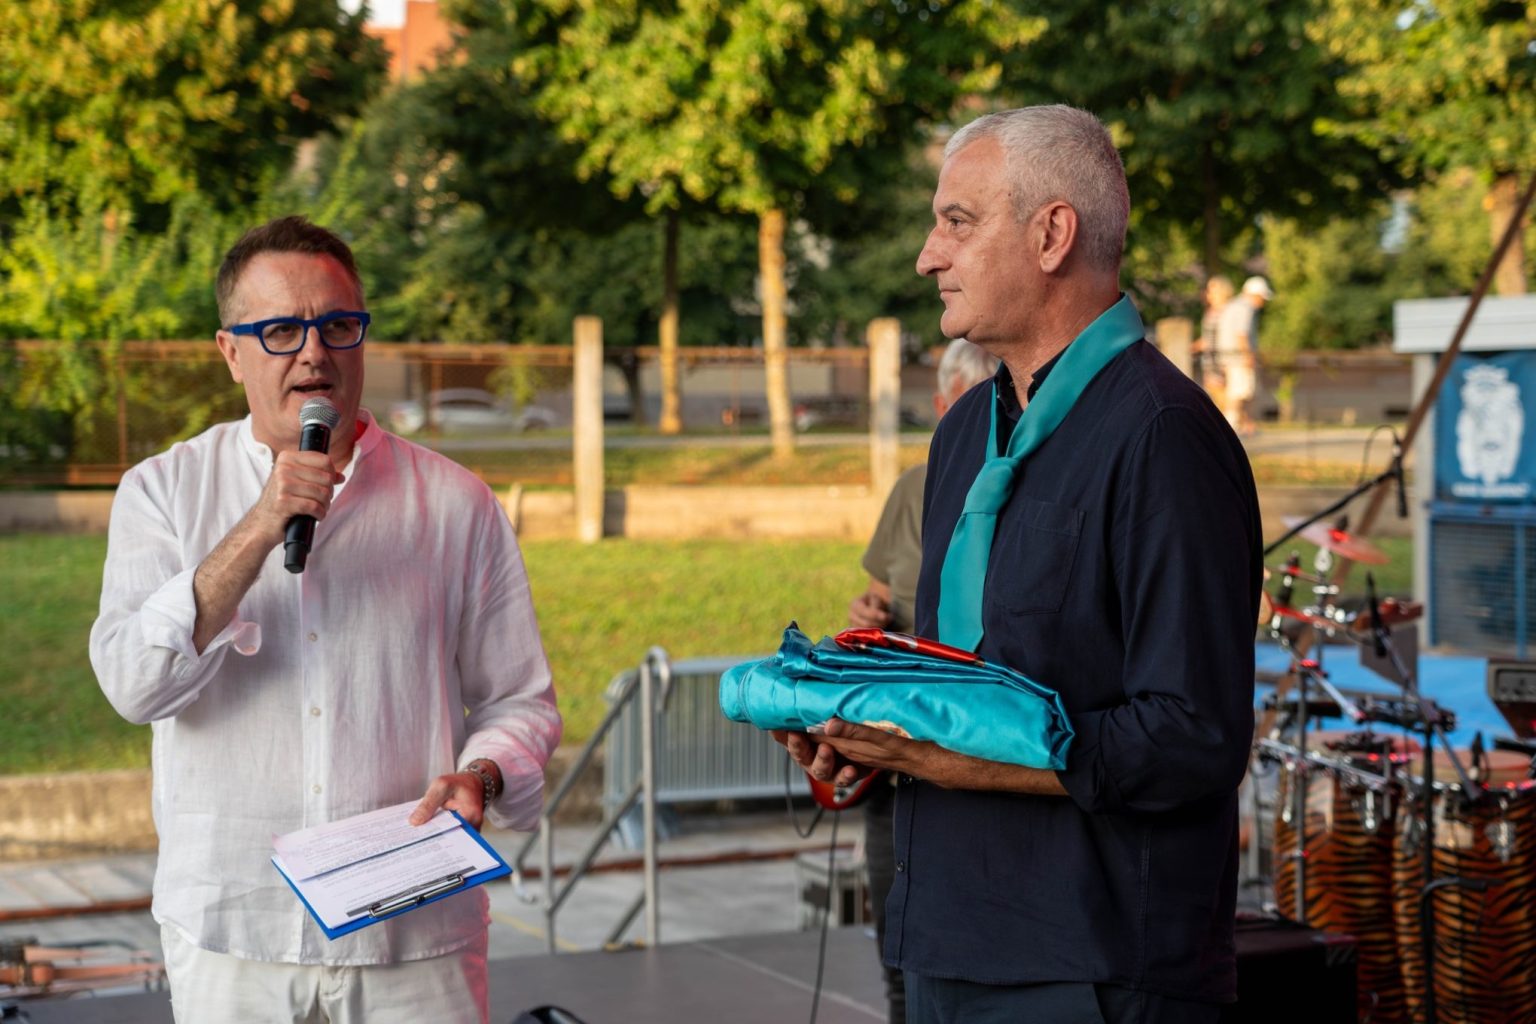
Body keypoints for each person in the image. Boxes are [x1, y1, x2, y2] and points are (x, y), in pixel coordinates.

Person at [777, 106, 1262, 1022]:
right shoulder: (965, 430)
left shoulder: (1165, 437)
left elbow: (1193, 737)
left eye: (957, 222)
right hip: (947, 940)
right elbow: (967, 677)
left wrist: (959, 757)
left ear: (1051, 235)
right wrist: (866, 734)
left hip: (1091, 965)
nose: (927, 256)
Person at [89, 216, 562, 1024]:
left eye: (338, 326)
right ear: (230, 352)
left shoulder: (455, 504)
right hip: (234, 932)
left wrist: (482, 776)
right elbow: (135, 685)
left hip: (412, 929)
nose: (314, 353)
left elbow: (520, 701)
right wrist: (259, 525)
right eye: (280, 331)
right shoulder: (162, 492)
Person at [847, 337, 997, 1024]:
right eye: (964, 409)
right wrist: (866, 617)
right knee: (901, 960)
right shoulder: (913, 488)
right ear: (941, 407)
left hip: (977, 757)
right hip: (898, 762)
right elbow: (876, 598)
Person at [1213, 274, 1274, 435]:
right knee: (1239, 393)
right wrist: (1248, 356)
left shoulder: (1234, 305)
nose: (1263, 302)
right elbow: (1241, 334)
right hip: (1238, 358)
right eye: (1262, 297)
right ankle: (1231, 426)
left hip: (1230, 356)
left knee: (1241, 392)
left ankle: (1243, 425)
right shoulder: (1245, 307)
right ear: (1255, 294)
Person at [1193, 274, 1235, 398]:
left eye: (1212, 290)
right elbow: (1208, 338)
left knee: (1225, 398)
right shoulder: (1210, 312)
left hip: (1222, 362)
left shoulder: (1229, 311)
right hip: (1210, 361)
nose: (1208, 293)